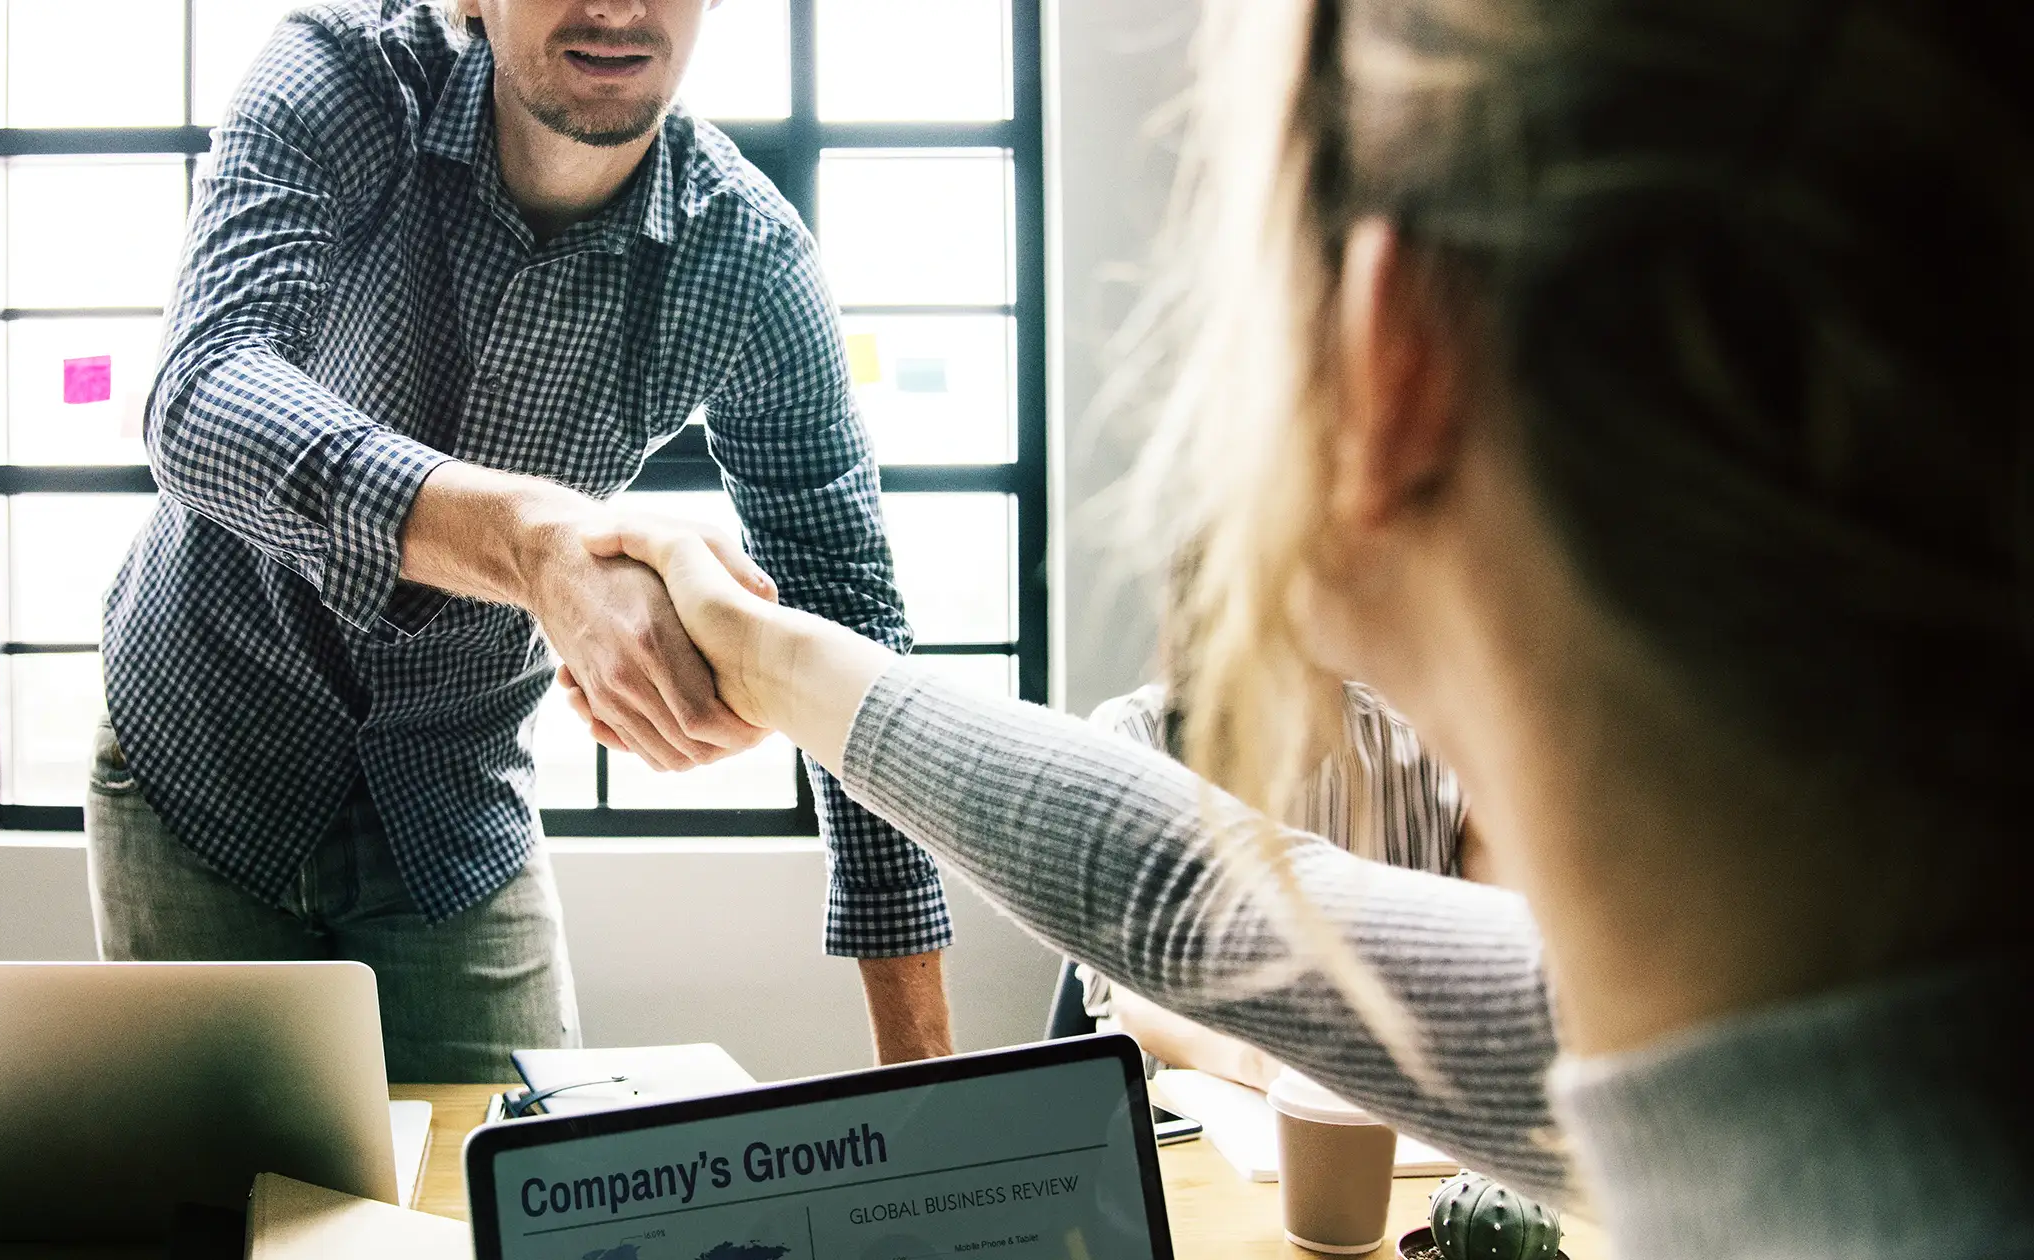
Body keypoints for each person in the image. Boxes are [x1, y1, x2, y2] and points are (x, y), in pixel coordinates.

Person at [572, 0, 2034, 1251]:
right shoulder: (1752, 1010)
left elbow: (1190, 905)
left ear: (1390, 355)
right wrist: (768, 655)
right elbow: (1176, 893)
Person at [88, 0, 955, 1083]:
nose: (621, 9)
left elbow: (850, 617)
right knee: (224, 1221)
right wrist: (539, 546)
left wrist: (924, 1077)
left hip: (452, 802)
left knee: (528, 1209)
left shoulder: (750, 262)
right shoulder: (344, 75)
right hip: (201, 752)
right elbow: (203, 391)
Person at [1081, 681, 1484, 1091]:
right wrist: (1270, 1068)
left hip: (1395, 1118)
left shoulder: (1433, 748)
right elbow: (1136, 1003)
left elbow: (1516, 982)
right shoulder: (1136, 733)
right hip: (1178, 1119)